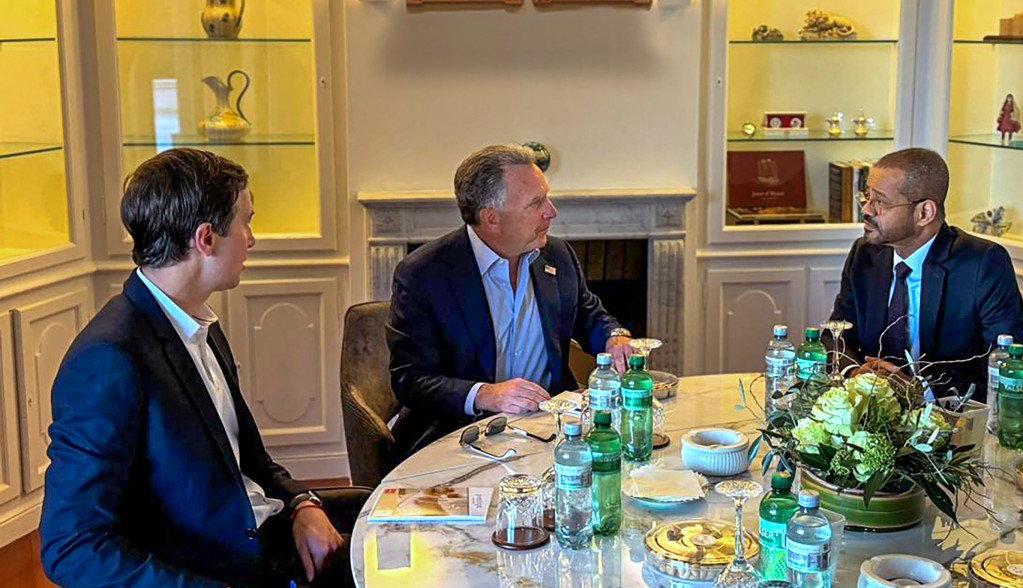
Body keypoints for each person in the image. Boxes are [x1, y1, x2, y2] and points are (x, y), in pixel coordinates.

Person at [41, 149, 354, 587]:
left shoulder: (199, 321)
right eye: (245, 222)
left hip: (266, 538)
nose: (251, 239)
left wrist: (303, 504)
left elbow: (249, 462)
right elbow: (72, 547)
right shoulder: (108, 358)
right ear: (206, 238)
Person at [387, 145, 634, 456]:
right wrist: (487, 395)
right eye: (536, 202)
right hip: (462, 437)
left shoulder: (557, 255)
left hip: (553, 429)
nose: (552, 211)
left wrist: (614, 337)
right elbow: (410, 380)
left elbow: (588, 314)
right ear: (492, 218)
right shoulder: (424, 273)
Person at [828, 148, 1023, 399]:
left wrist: (920, 389)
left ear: (924, 213)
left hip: (949, 413)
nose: (867, 210)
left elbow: (1008, 363)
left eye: (880, 202)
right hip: (871, 410)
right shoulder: (865, 254)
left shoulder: (982, 263)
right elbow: (834, 336)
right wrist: (855, 373)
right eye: (867, 196)